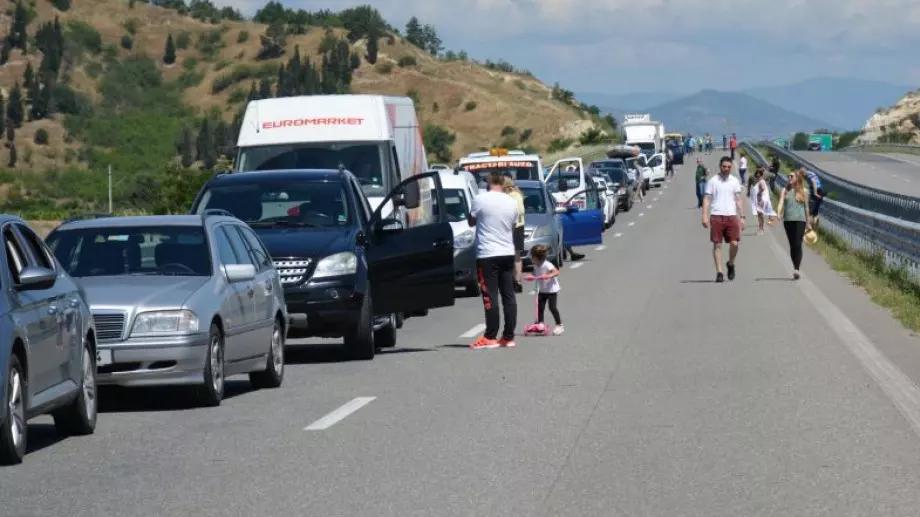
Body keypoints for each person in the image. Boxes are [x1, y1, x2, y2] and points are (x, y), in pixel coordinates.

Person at [468, 173, 519, 349]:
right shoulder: (512, 202)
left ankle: (490, 336)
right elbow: (512, 225)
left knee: (490, 295)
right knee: (508, 295)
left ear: (489, 183)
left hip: (487, 253)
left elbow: (471, 221)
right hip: (507, 251)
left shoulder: (480, 199)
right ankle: (509, 336)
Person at [702, 156, 745, 283]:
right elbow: (706, 199)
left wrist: (742, 216)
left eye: (729, 167)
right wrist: (704, 215)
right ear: (720, 166)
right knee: (717, 244)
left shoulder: (734, 181)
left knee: (734, 243)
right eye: (724, 167)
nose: (726, 169)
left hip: (731, 215)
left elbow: (738, 199)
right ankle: (719, 272)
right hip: (716, 215)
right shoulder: (713, 181)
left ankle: (730, 263)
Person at [776, 170, 812, 279]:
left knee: (797, 243)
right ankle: (795, 266)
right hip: (788, 220)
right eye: (788, 176)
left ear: (797, 178)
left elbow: (806, 207)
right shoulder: (785, 190)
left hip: (800, 220)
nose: (789, 178)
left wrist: (808, 223)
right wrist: (778, 212)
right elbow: (781, 202)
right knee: (792, 245)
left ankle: (797, 269)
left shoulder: (804, 191)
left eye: (791, 176)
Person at [524, 245, 564, 335]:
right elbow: (535, 273)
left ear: (536, 258)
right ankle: (540, 324)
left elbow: (556, 272)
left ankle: (559, 325)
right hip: (541, 290)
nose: (531, 259)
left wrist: (548, 276)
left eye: (532, 257)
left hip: (551, 290)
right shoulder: (536, 265)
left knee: (552, 307)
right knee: (540, 308)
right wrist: (531, 276)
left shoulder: (547, 264)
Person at [502, 177, 526, 293]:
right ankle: (512, 280)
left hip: (515, 227)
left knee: (515, 255)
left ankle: (517, 281)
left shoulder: (514, 195)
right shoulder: (508, 195)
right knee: (510, 255)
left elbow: (520, 211)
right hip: (508, 227)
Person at [747, 168, 776, 234]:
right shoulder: (764, 178)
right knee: (760, 214)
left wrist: (758, 193)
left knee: (760, 214)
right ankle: (761, 227)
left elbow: (761, 188)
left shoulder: (758, 180)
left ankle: (761, 229)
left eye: (757, 175)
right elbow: (773, 175)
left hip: (761, 198)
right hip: (763, 197)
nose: (757, 176)